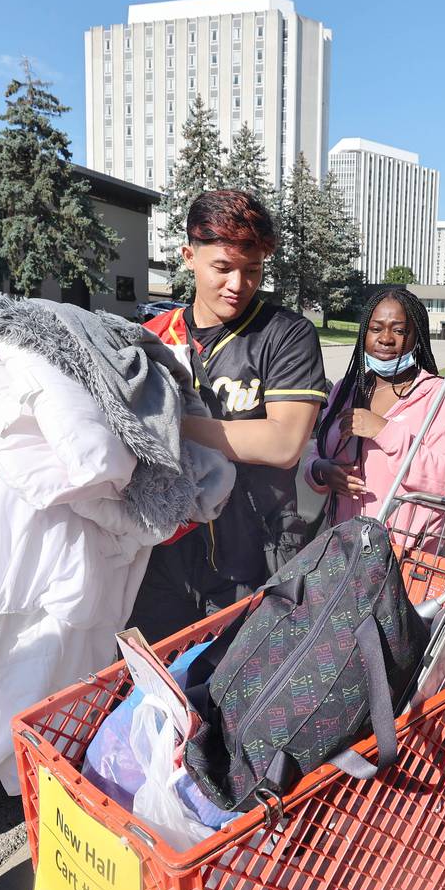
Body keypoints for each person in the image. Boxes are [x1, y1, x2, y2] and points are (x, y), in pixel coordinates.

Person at [130, 189, 328, 643]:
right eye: (222, 267)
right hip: (160, 556)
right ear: (188, 256)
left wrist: (163, 422)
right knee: (155, 690)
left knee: (238, 693)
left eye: (252, 270)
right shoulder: (152, 338)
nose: (238, 285)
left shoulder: (285, 335)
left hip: (256, 550)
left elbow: (282, 443)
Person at [304, 288, 445, 548]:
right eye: (376, 328)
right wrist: (321, 471)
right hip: (344, 551)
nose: (386, 339)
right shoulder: (346, 389)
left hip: (407, 557)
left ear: (417, 337)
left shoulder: (438, 395)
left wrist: (384, 430)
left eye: (399, 331)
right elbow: (316, 450)